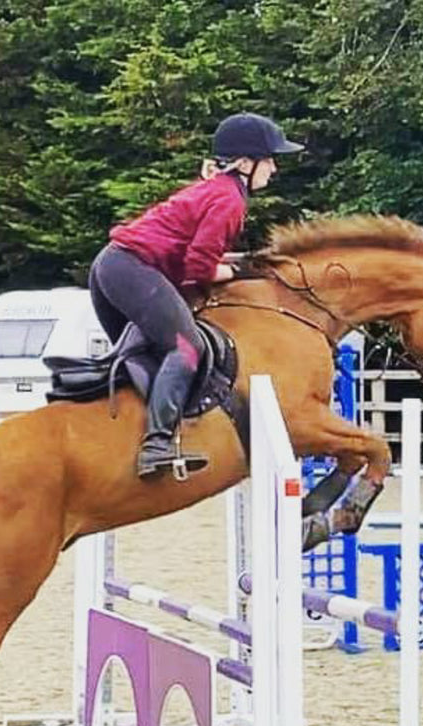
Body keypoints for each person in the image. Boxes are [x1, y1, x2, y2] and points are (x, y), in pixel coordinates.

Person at [89, 112, 304, 479]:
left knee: (151, 357)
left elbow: (197, 257)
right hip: (130, 270)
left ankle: (125, 433)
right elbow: (198, 271)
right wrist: (241, 271)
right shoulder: (229, 200)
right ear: (246, 163)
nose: (274, 168)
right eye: (269, 159)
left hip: (111, 268)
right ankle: (156, 445)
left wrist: (245, 262)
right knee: (188, 347)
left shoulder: (218, 189)